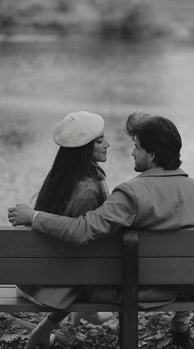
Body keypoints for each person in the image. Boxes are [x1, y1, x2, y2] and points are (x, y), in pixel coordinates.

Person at [9, 112, 194, 349]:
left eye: (137, 147)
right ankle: (180, 326)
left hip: (140, 290)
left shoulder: (131, 194)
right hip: (190, 286)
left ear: (152, 154)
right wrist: (180, 320)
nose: (131, 152)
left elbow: (82, 230)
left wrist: (34, 216)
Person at [14, 110, 112, 348]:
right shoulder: (87, 189)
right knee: (105, 258)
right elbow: (82, 240)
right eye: (100, 141)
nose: (107, 144)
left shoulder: (64, 177)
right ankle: (43, 331)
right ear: (84, 150)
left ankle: (83, 315)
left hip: (36, 276)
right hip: (58, 282)